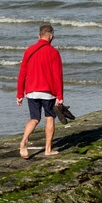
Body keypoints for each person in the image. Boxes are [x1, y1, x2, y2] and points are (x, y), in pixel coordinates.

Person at [16, 23, 64, 159]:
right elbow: (57, 76)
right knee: (49, 118)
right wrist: (60, 96)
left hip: (31, 91)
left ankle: (24, 140)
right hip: (48, 91)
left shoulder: (29, 50)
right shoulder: (54, 52)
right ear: (51, 36)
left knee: (34, 118)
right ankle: (48, 149)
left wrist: (19, 94)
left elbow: (22, 73)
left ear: (39, 36)